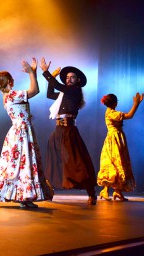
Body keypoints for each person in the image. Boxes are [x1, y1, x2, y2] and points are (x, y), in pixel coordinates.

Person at [0, 58, 54, 208]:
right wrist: (31, 74)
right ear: (9, 81)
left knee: (23, 164)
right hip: (21, 132)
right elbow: (35, 91)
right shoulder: (12, 95)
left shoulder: (8, 96)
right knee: (15, 165)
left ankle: (24, 198)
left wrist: (33, 72)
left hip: (21, 131)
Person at [40, 57, 97, 205]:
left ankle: (91, 192)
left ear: (77, 81)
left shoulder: (75, 91)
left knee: (77, 162)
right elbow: (50, 93)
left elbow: (57, 85)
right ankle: (49, 190)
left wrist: (46, 73)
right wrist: (50, 77)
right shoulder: (63, 93)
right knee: (55, 161)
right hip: (58, 130)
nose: (69, 79)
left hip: (69, 130)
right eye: (67, 77)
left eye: (72, 77)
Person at [97, 93, 144, 201]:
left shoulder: (111, 112)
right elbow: (129, 116)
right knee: (113, 163)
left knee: (119, 163)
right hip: (114, 139)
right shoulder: (111, 113)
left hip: (117, 138)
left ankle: (117, 191)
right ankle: (105, 191)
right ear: (114, 102)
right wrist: (136, 104)